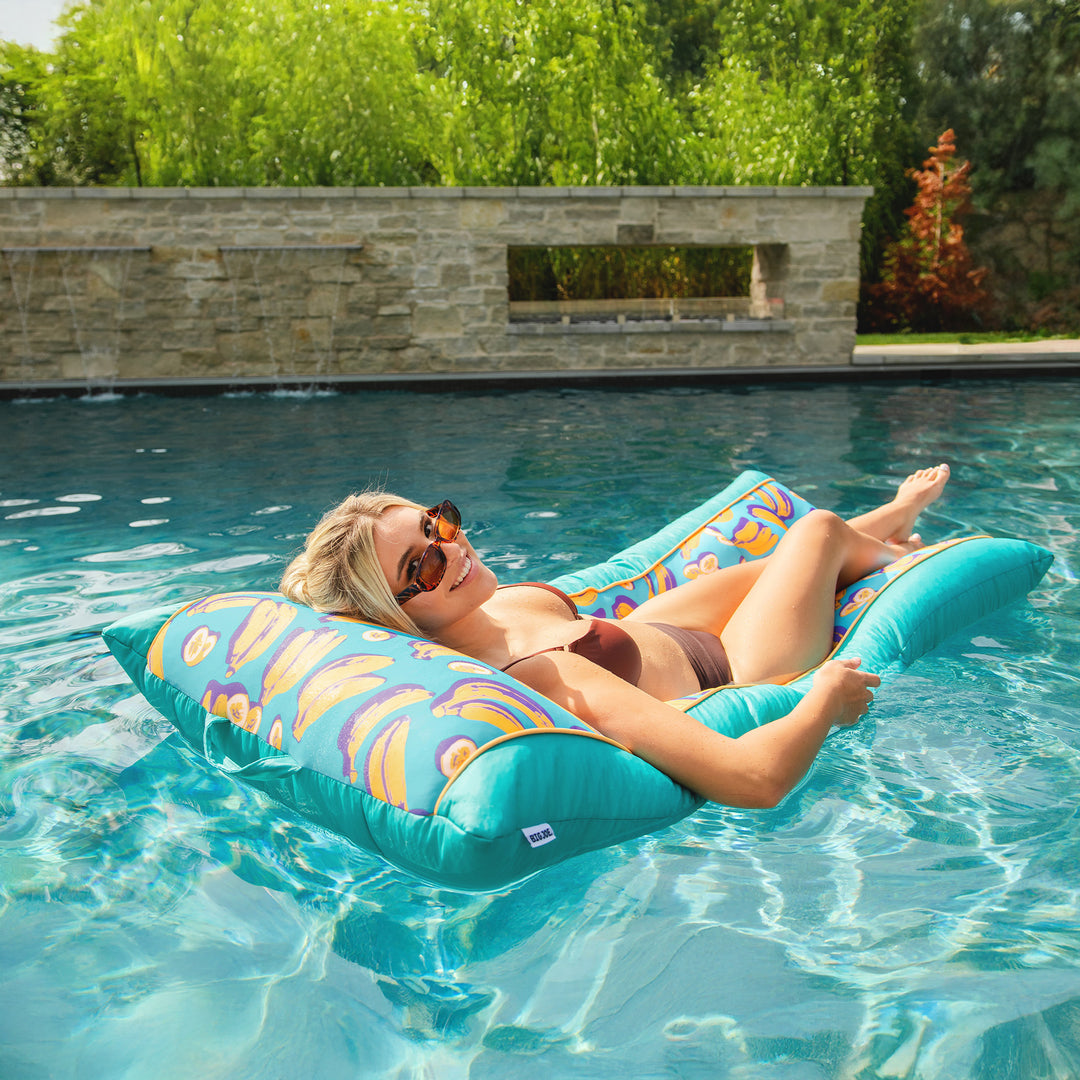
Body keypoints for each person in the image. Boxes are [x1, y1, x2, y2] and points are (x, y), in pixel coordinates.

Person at [281, 465, 950, 810]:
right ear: (395, 613)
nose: (454, 551)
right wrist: (825, 701)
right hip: (736, 664)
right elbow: (754, 780)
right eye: (422, 565)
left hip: (654, 629)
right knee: (815, 532)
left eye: (440, 526)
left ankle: (881, 531)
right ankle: (903, 547)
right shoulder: (544, 678)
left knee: (794, 562)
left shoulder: (490, 601)